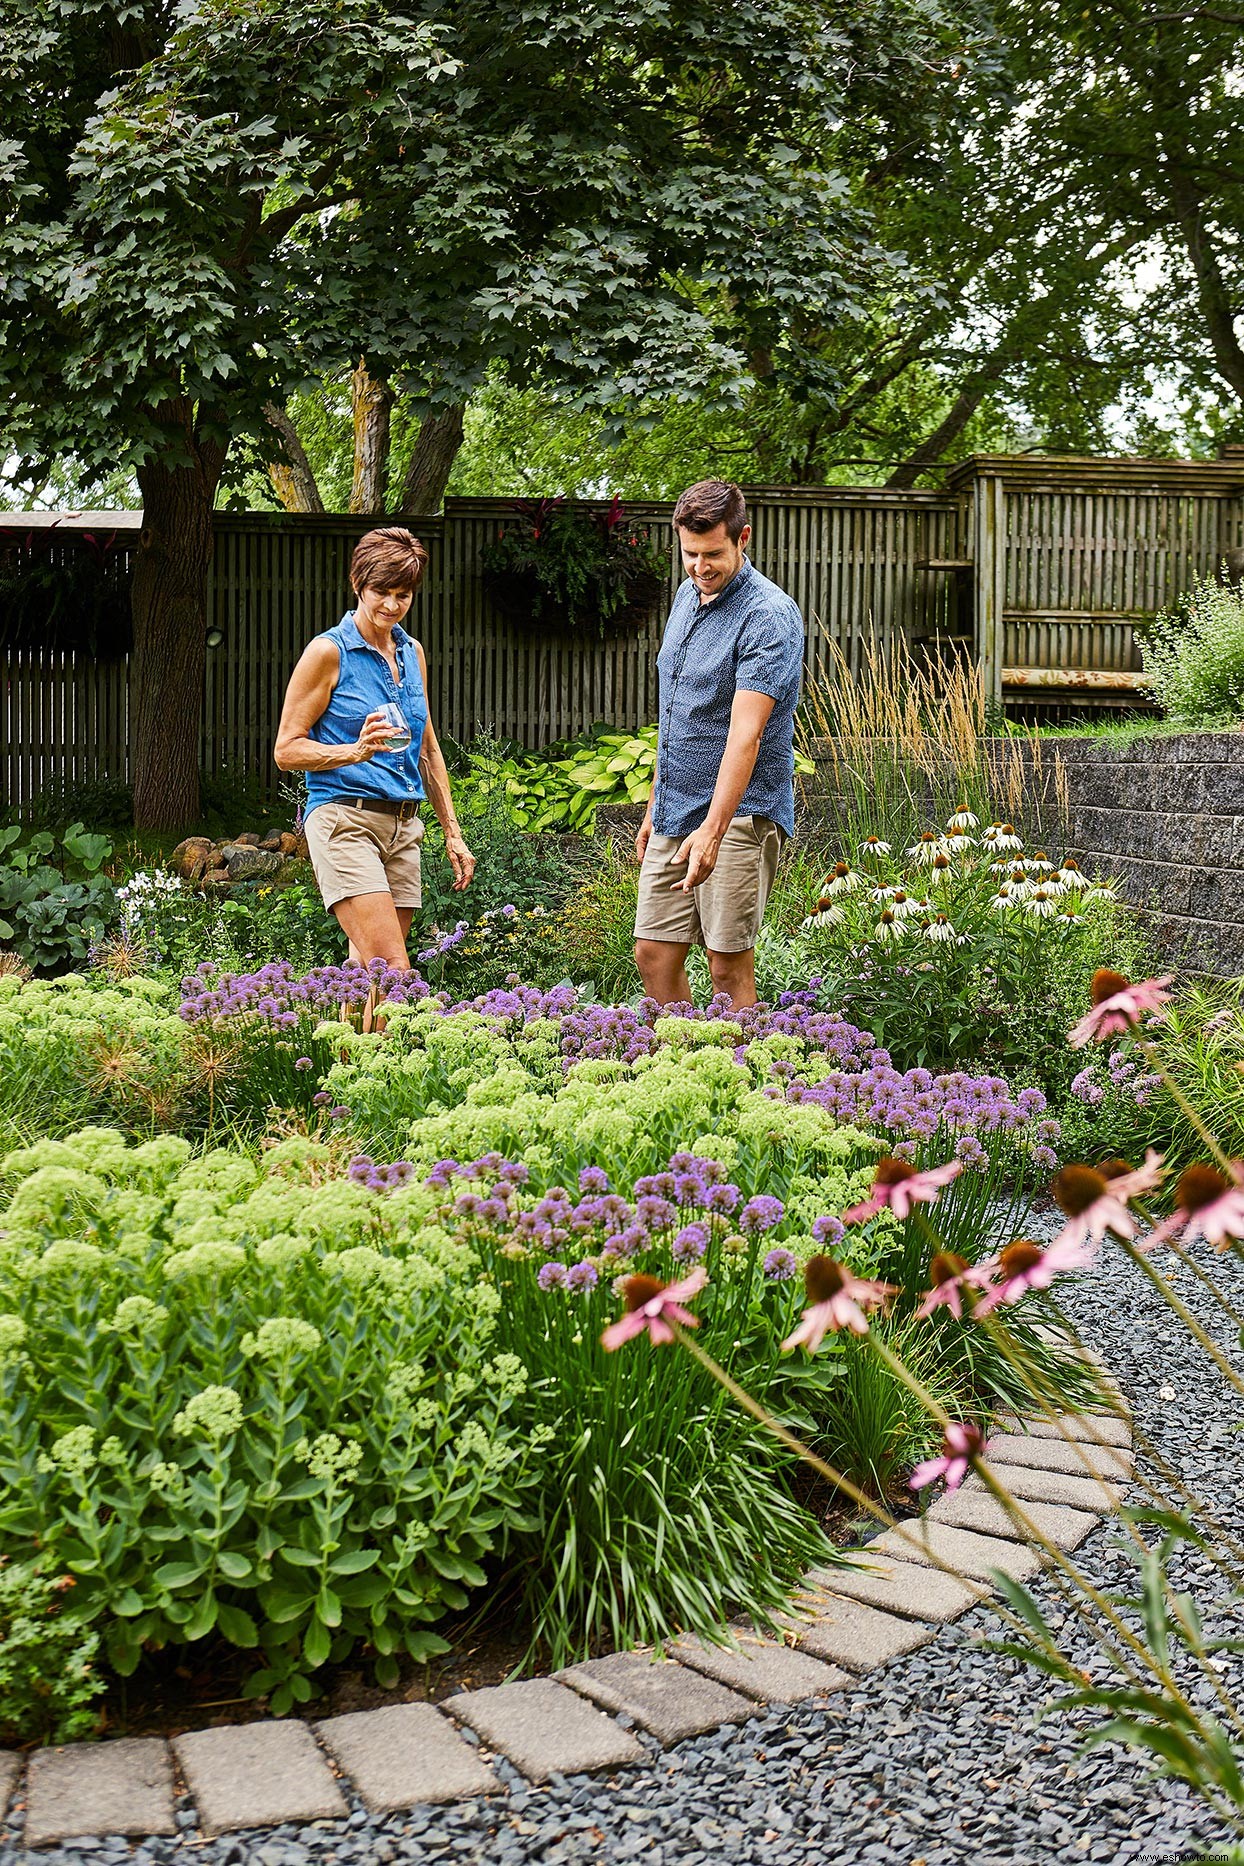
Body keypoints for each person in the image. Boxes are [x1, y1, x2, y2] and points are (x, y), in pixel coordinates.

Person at [633, 480, 803, 1009]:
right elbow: (676, 711)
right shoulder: (688, 595)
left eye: (713, 554)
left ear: (743, 538)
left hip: (738, 815)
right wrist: (655, 804)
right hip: (675, 809)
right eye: (689, 554)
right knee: (653, 952)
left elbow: (745, 735)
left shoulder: (767, 616)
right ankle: (676, 1069)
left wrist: (712, 830)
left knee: (725, 966)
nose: (700, 566)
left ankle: (737, 1083)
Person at [274, 526, 474, 970]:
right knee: (394, 971)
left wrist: (453, 834)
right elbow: (286, 751)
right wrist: (354, 751)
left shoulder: (412, 653)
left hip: (403, 827)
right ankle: (399, 1042)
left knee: (367, 974)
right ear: (357, 584)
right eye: (380, 591)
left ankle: (344, 1042)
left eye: (403, 595)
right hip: (345, 820)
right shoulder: (328, 652)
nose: (391, 605)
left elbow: (428, 749)